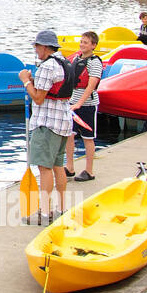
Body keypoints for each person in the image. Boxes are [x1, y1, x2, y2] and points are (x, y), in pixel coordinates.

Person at [19, 29, 74, 225]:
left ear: (44, 47)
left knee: (44, 168)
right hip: (63, 122)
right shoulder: (65, 63)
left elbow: (39, 98)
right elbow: (52, 90)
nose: (35, 50)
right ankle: (61, 207)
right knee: (58, 166)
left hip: (47, 123)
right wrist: (34, 82)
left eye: (36, 46)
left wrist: (26, 81)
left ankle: (45, 211)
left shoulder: (47, 66)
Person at [64, 30, 102, 183]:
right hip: (72, 103)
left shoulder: (95, 62)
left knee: (88, 137)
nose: (82, 44)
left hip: (87, 105)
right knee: (69, 135)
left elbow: (91, 85)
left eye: (86, 42)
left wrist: (80, 103)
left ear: (93, 45)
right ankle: (70, 167)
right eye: (81, 42)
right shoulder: (76, 59)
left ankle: (89, 171)